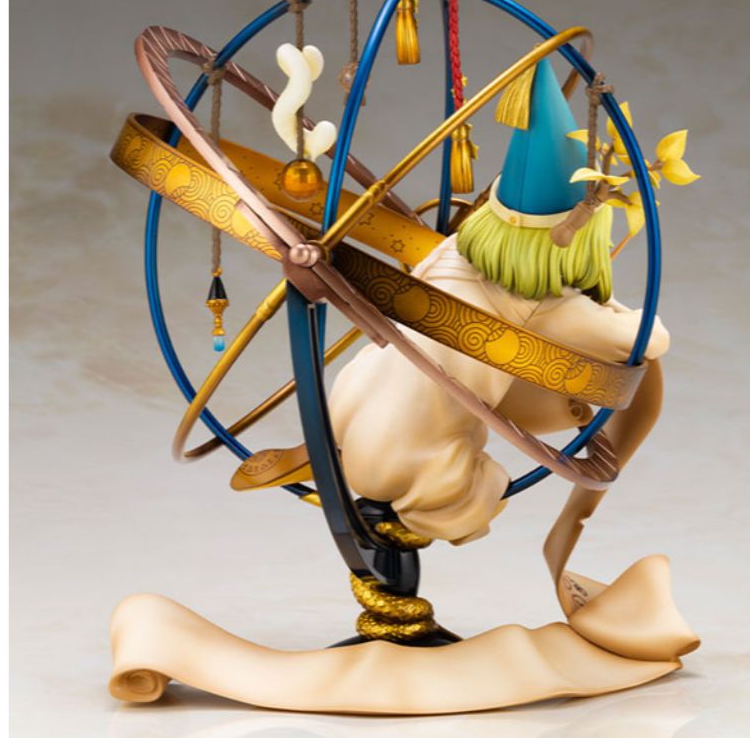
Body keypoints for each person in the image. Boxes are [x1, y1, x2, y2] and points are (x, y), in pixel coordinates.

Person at [234, 59, 668, 543]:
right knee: (486, 486)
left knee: (399, 364)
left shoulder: (453, 251)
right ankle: (403, 519)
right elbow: (648, 340)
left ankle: (331, 458)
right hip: (417, 471)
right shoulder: (545, 304)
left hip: (343, 412)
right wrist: (606, 304)